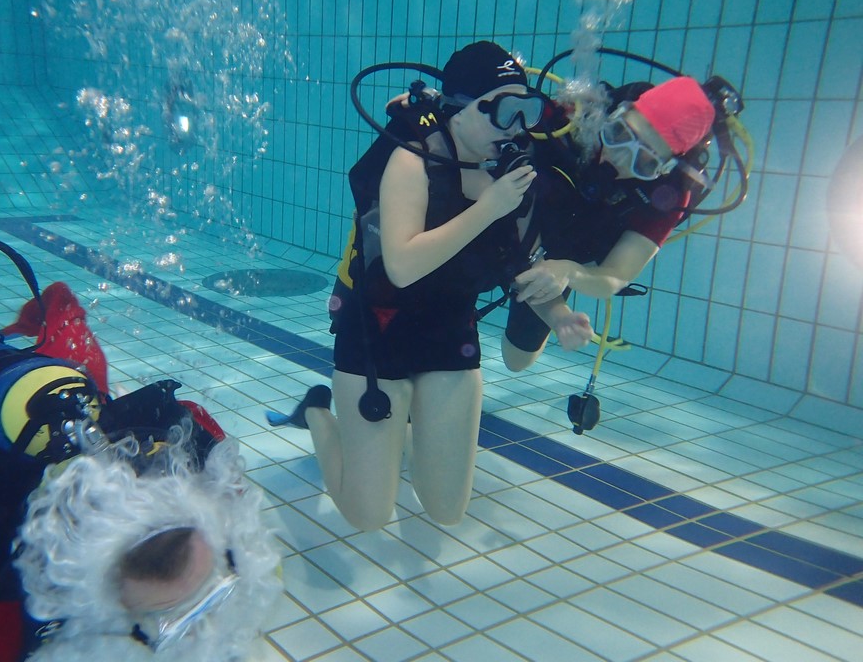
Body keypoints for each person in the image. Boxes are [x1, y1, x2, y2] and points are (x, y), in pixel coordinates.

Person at [0, 277, 281, 662]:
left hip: (44, 409)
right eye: (163, 620)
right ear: (98, 599)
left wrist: (34, 319)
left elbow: (64, 308)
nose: (202, 627)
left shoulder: (203, 463)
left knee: (70, 344)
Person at [273, 41, 540, 531]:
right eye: (504, 110)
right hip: (377, 337)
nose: (517, 127)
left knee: (446, 510)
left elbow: (519, 261)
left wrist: (559, 306)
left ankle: (401, 437)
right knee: (370, 515)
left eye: (527, 110)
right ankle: (314, 411)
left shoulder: (505, 174)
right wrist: (491, 207)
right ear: (459, 108)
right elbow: (402, 266)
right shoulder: (411, 159)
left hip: (449, 335)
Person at [500, 75, 719, 373]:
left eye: (644, 162)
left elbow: (615, 276)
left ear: (665, 168)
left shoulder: (668, 195)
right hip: (514, 213)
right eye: (618, 134)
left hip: (562, 252)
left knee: (517, 361)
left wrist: (569, 272)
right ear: (616, 113)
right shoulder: (577, 117)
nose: (618, 159)